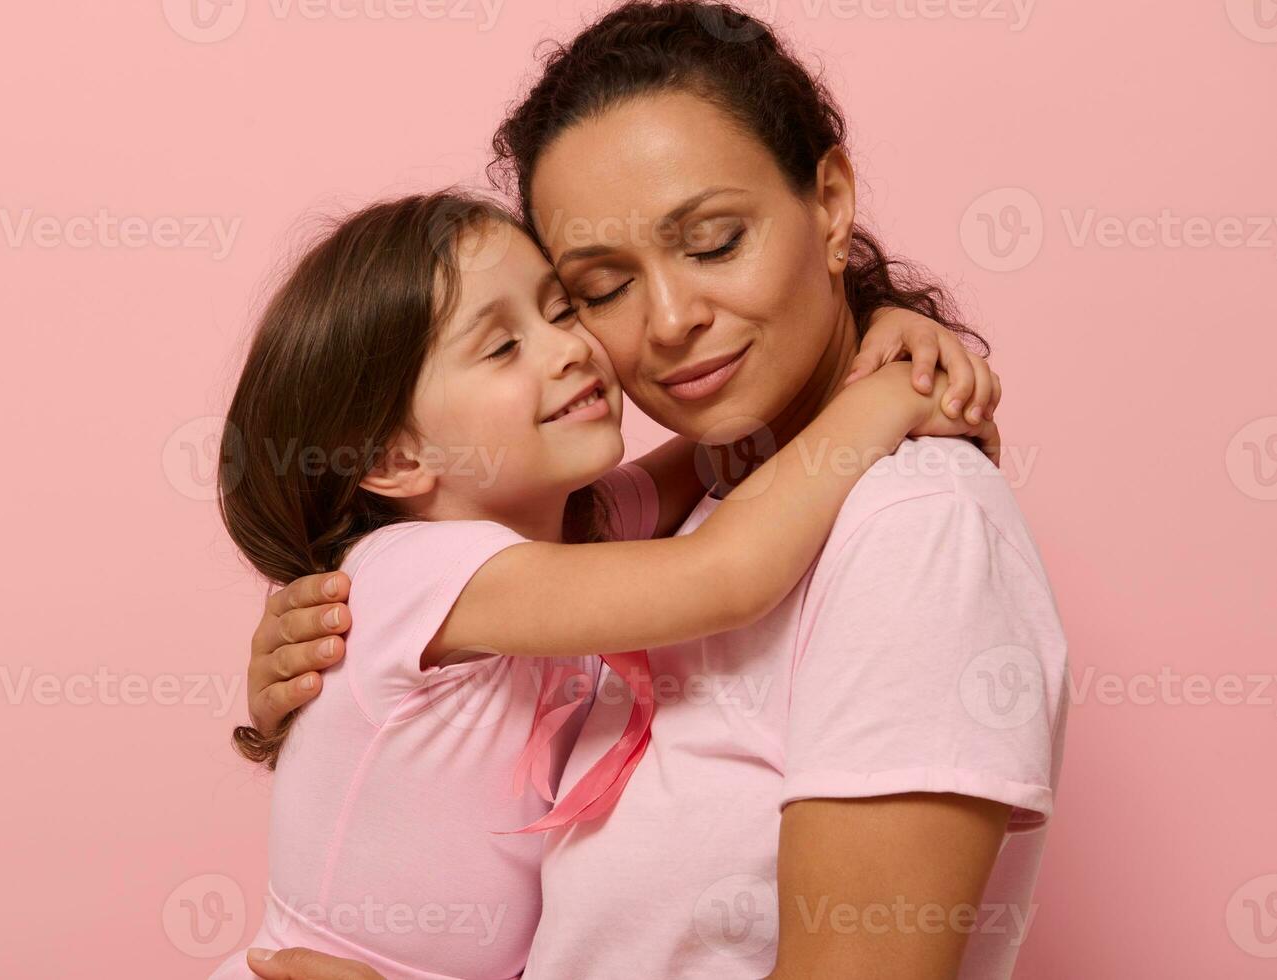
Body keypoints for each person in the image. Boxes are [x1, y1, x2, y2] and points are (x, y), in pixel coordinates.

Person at [238, 3, 1067, 976]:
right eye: (600, 285)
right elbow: (716, 550)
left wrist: (892, 384)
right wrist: (317, 669)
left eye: (714, 240)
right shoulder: (693, 509)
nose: (668, 321)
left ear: (832, 202)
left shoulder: (914, 527)